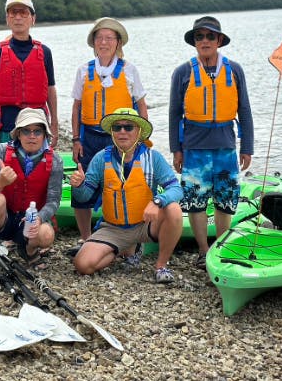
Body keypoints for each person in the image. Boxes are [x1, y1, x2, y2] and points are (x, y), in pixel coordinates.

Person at [168, 16, 254, 270]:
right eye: (199, 37)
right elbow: (174, 114)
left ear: (219, 40)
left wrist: (247, 146)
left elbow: (245, 111)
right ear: (194, 42)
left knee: (225, 200)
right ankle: (203, 249)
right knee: (196, 201)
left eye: (209, 36)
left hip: (226, 146)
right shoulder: (183, 72)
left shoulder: (235, 69)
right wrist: (176, 149)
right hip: (194, 147)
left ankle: (221, 246)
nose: (204, 41)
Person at [69, 108, 183, 284]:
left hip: (145, 224)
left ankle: (161, 266)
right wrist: (78, 185)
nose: (122, 131)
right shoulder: (101, 158)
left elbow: (176, 189)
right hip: (113, 228)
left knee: (174, 210)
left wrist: (157, 201)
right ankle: (125, 248)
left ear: (138, 131)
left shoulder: (153, 158)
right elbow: (84, 197)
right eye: (117, 127)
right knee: (82, 265)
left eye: (128, 127)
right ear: (112, 132)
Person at [70, 17, 148, 244]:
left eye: (109, 38)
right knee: (82, 184)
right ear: (94, 42)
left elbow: (141, 105)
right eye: (99, 38)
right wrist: (76, 139)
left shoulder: (130, 70)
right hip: (90, 136)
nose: (103, 42)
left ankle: (127, 237)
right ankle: (86, 238)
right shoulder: (84, 71)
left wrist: (141, 138)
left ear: (117, 43)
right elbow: (76, 106)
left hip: (120, 138)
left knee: (122, 186)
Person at [0, 108, 64, 281]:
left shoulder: (55, 160)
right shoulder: (1, 151)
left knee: (47, 235)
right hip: (4, 219)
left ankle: (28, 250)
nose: (32, 136)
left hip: (30, 220)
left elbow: (53, 201)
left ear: (44, 135)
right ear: (18, 134)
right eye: (26, 131)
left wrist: (40, 218)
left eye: (37, 131)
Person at [0, 0, 59, 152]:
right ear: (7, 18)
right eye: (13, 13)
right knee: (3, 171)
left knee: (38, 172)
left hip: (37, 126)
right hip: (6, 123)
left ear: (33, 18)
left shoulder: (45, 52)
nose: (18, 17)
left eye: (23, 13)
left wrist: (54, 123)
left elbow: (51, 89)